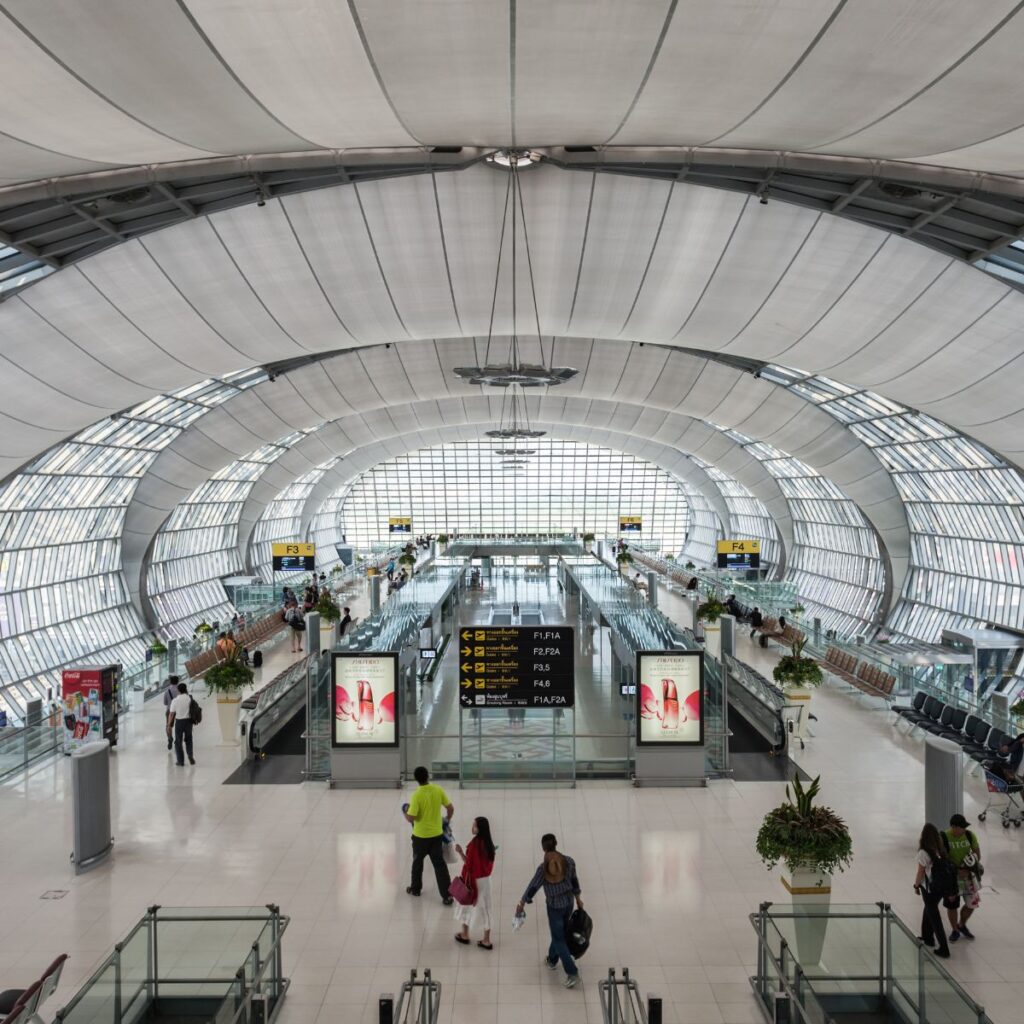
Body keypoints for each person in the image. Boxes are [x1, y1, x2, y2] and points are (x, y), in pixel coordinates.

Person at [516, 833, 583, 989]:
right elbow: (574, 881)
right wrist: (578, 899)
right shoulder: (569, 861)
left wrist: (522, 902)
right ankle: (552, 960)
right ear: (556, 843)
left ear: (543, 848)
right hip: (569, 903)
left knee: (559, 939)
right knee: (559, 932)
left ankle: (572, 972)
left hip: (554, 907)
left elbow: (533, 887)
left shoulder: (543, 869)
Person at [404, 766, 455, 904]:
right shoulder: (437, 790)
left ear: (416, 779)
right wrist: (447, 819)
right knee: (439, 865)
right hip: (436, 835)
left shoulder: (417, 795)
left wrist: (406, 813)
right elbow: (450, 808)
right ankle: (447, 895)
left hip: (420, 837)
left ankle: (415, 889)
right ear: (428, 776)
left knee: (417, 863)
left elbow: (411, 817)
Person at [454, 816, 496, 949]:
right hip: (486, 881)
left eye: (474, 826)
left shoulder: (474, 844)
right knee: (486, 909)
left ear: (479, 829)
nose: (472, 827)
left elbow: (469, 863)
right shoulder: (489, 844)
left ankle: (465, 934)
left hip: (473, 880)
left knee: (466, 905)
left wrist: (460, 852)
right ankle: (486, 940)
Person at [913, 823, 952, 958]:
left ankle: (944, 948)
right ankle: (927, 937)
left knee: (934, 917)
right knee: (928, 909)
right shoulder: (940, 849)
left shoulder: (923, 852)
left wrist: (916, 885)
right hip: (940, 887)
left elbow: (921, 872)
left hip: (929, 888)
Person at [942, 814, 981, 941]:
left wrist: (968, 866)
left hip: (968, 876)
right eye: (961, 827)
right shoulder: (944, 837)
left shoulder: (970, 835)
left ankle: (962, 924)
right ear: (953, 827)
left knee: (972, 904)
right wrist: (957, 870)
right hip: (952, 879)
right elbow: (942, 859)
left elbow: (977, 854)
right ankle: (955, 930)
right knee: (952, 905)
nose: (964, 829)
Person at [167, 682, 196, 767]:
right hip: (188, 722)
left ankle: (180, 761)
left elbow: (171, 714)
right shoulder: (189, 698)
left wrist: (169, 724)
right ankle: (190, 755)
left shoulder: (175, 700)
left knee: (178, 742)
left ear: (178, 690)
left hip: (179, 722)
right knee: (189, 739)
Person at [162, 675, 180, 750]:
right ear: (178, 681)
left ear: (170, 682)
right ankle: (177, 740)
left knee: (168, 725)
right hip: (179, 710)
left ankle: (170, 738)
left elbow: (165, 703)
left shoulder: (167, 691)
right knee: (179, 726)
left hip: (170, 710)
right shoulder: (180, 690)